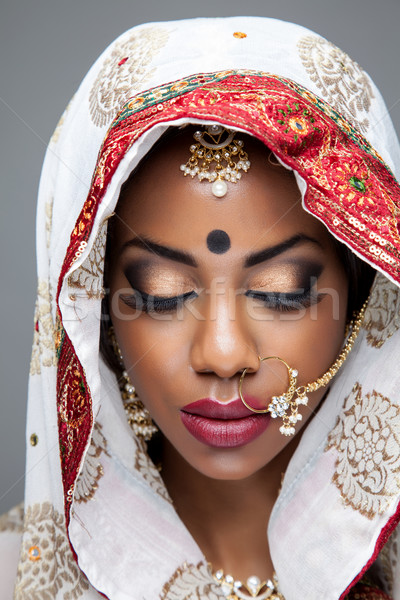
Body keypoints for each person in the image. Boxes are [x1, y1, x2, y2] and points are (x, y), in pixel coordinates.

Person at [1, 15, 400, 600]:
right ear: (96, 311)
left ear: (364, 296)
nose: (222, 353)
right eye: (162, 294)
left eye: (282, 291)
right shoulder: (14, 573)